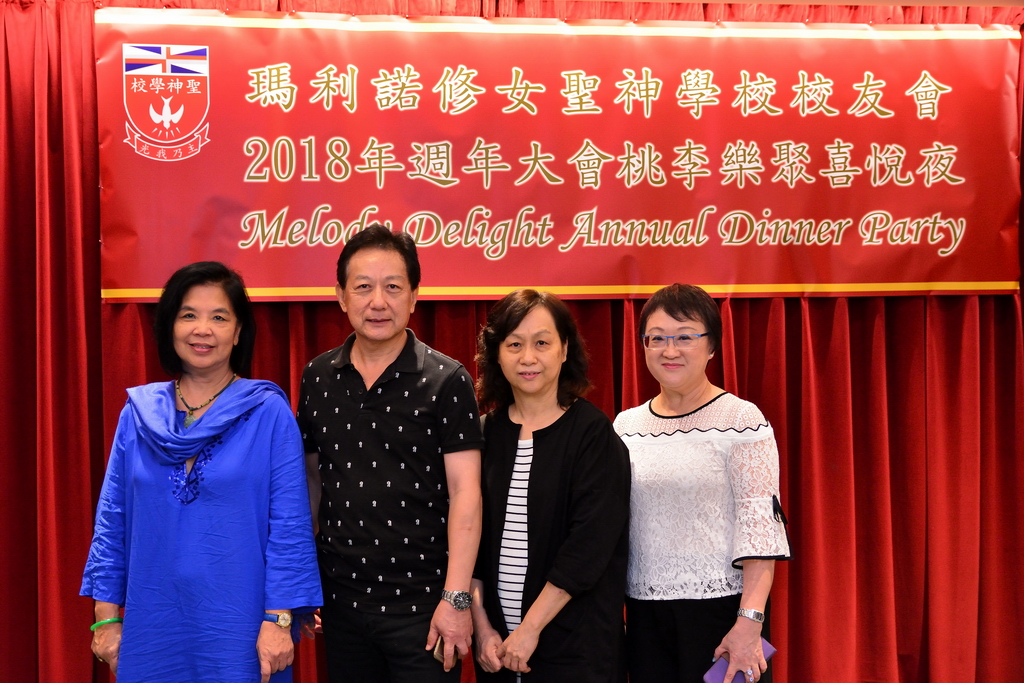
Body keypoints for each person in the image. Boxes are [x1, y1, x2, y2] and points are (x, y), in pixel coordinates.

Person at [81, 261, 322, 683]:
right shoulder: (137, 414)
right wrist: (105, 618)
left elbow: (290, 527)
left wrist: (279, 620)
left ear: (239, 331)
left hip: (242, 629)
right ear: (169, 326)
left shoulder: (268, 412)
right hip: (152, 625)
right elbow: (111, 521)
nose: (202, 329)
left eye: (219, 317)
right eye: (189, 315)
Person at [298, 224, 484, 683]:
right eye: (363, 287)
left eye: (393, 287)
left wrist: (456, 599)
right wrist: (303, 582)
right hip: (341, 604)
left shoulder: (447, 379)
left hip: (425, 606)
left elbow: (466, 493)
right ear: (341, 296)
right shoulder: (317, 377)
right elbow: (311, 483)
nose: (377, 302)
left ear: (415, 296)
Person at [613, 283, 791, 683]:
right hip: (644, 616)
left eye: (684, 337)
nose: (669, 350)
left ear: (712, 346)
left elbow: (760, 531)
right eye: (657, 338)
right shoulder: (625, 426)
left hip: (722, 614)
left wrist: (749, 622)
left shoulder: (741, 421)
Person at [470, 289, 630, 683]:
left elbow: (587, 549)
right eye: (514, 344)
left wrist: (529, 630)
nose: (528, 357)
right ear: (496, 354)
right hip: (496, 649)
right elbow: (468, 539)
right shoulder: (483, 434)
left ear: (564, 350)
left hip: (574, 649)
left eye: (542, 343)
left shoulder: (593, 434)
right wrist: (481, 627)